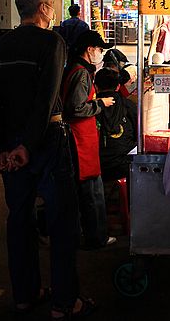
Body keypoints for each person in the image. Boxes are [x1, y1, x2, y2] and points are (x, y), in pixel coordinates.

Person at [0, 0, 95, 319]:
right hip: (45, 142)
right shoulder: (52, 42)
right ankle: (64, 302)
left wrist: (3, 147)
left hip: (11, 148)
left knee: (19, 219)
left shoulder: (1, 46)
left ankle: (24, 295)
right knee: (61, 221)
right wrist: (27, 146)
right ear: (45, 8)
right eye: (51, 5)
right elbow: (47, 98)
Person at [62, 30, 117, 249]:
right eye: (99, 49)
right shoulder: (81, 73)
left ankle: (84, 233)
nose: (100, 53)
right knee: (91, 191)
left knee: (85, 190)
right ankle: (97, 237)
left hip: (80, 136)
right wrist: (101, 104)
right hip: (79, 137)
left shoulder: (75, 69)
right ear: (89, 49)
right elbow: (76, 107)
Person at [94, 68, 137, 184]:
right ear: (118, 87)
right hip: (124, 166)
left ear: (96, 86)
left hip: (97, 167)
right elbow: (138, 135)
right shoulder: (129, 106)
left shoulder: (89, 109)